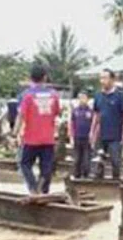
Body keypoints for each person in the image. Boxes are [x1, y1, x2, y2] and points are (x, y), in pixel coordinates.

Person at [16, 64, 60, 194]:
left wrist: (14, 133)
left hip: (31, 138)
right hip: (48, 138)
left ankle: (33, 187)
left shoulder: (27, 95)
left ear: (30, 78)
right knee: (46, 167)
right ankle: (44, 191)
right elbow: (57, 112)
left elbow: (21, 115)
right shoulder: (54, 95)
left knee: (25, 164)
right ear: (45, 77)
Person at [91, 69, 123, 179]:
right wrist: (92, 131)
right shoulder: (98, 96)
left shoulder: (120, 95)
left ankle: (116, 184)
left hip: (115, 135)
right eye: (101, 78)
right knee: (98, 162)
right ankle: (99, 186)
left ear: (112, 79)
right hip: (101, 135)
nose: (102, 81)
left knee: (115, 162)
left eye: (105, 78)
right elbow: (96, 114)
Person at [69, 90, 94, 179]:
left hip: (87, 138)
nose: (81, 99)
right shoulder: (75, 111)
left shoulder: (91, 112)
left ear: (87, 99)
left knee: (86, 158)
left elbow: (94, 124)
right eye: (80, 98)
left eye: (84, 97)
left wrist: (93, 136)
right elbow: (71, 124)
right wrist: (71, 136)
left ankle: (86, 175)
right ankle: (76, 175)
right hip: (77, 137)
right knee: (77, 158)